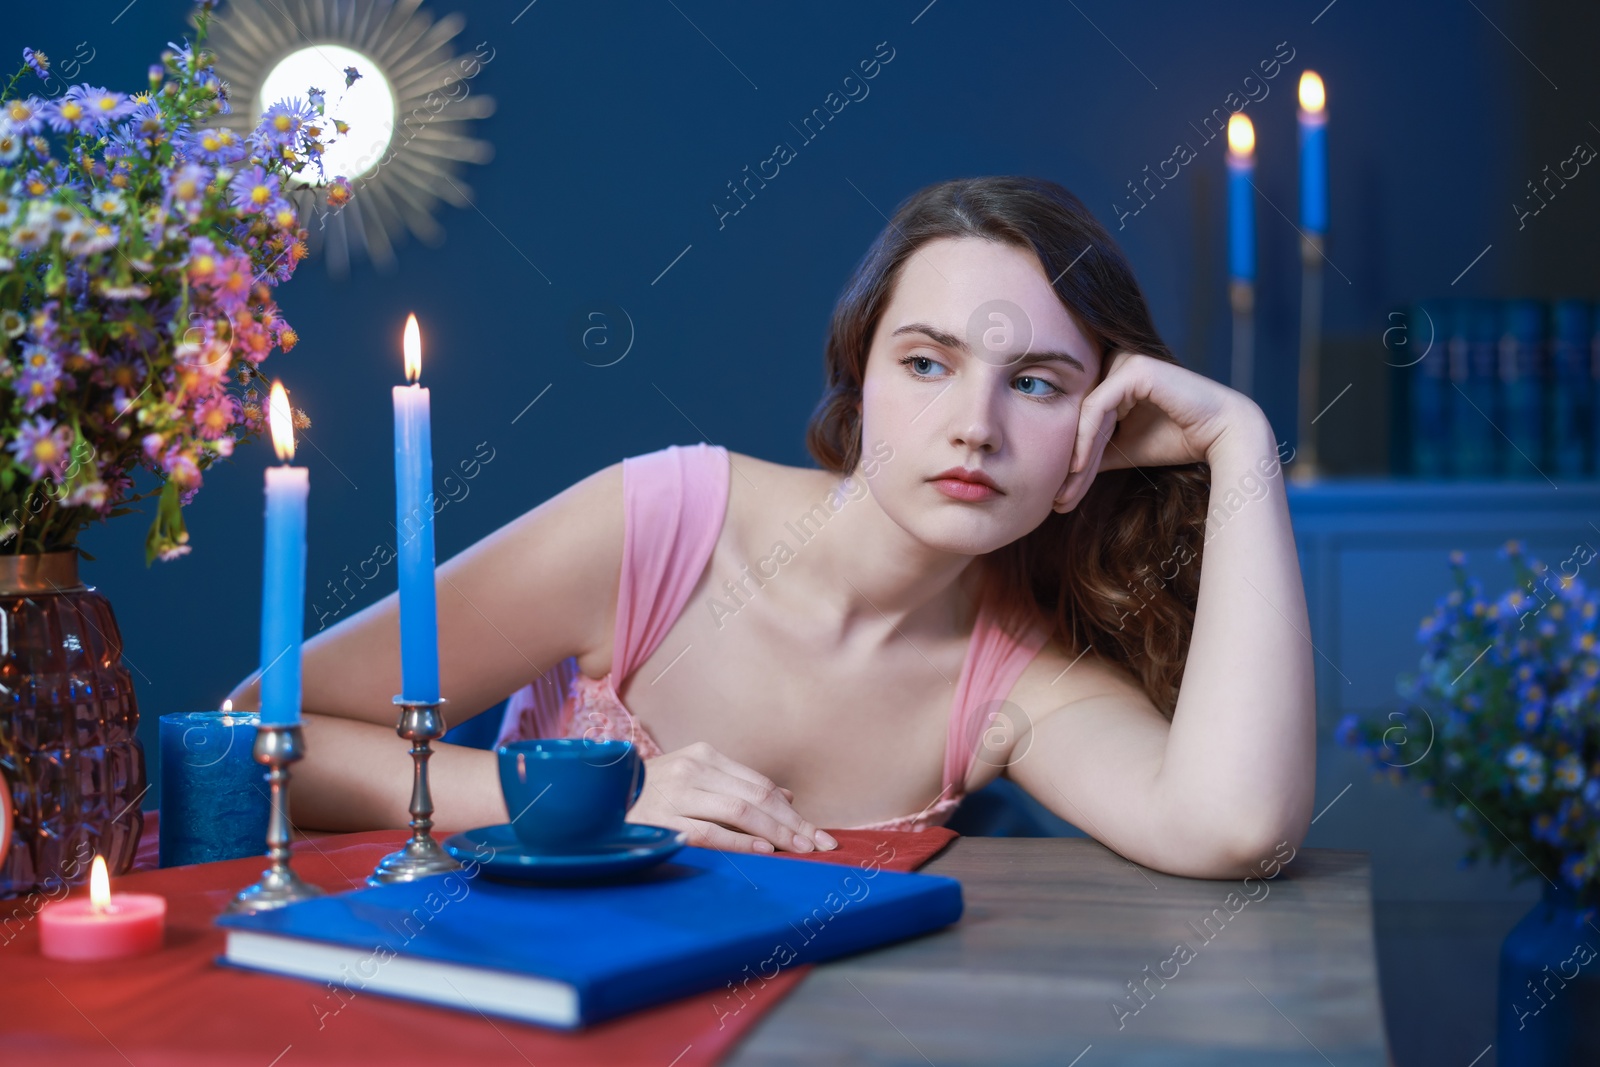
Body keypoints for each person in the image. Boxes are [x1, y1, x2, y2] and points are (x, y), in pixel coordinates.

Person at [226, 176, 1315, 879]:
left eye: (1034, 383)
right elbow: (253, 734)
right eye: (926, 363)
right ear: (860, 377)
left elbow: (1233, 827)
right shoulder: (661, 523)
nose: (971, 426)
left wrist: (1242, 444)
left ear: (1094, 432)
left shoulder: (1016, 676)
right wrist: (604, 799)